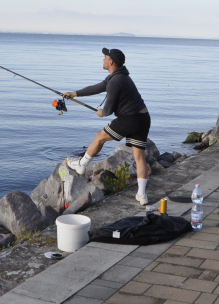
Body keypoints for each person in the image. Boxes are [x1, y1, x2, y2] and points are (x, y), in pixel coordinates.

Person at [63, 48, 152, 205]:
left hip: (129, 119)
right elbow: (97, 88)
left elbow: (108, 111)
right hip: (143, 118)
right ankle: (142, 195)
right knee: (139, 158)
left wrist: (101, 113)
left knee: (99, 137)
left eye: (105, 58)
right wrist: (74, 93)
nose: (103, 60)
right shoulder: (119, 77)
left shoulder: (116, 81)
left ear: (111, 62)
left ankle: (81, 165)